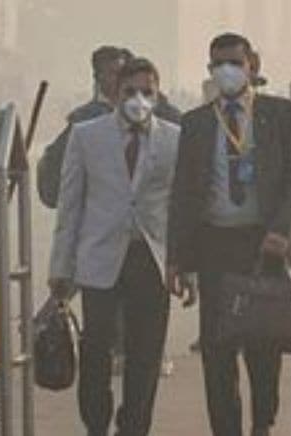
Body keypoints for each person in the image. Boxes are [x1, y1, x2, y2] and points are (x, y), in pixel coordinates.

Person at [168, 32, 291, 436]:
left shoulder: (279, 114)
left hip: (263, 245)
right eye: (217, 64)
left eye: (234, 62)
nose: (226, 71)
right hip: (215, 245)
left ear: (252, 65)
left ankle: (262, 423)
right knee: (217, 350)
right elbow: (183, 194)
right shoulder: (196, 123)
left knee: (264, 346)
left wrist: (281, 229)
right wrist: (177, 258)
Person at [49, 57, 182, 436]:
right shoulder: (86, 136)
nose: (138, 99)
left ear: (158, 95)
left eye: (147, 92)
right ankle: (96, 424)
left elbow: (181, 207)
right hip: (100, 259)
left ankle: (134, 426)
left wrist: (184, 265)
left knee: (146, 355)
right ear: (115, 94)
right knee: (96, 351)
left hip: (150, 259)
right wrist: (61, 267)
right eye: (130, 91)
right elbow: (70, 205)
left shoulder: (174, 138)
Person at [38, 45, 132, 210]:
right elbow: (55, 169)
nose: (119, 80)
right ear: (98, 77)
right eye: (113, 73)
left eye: (122, 74)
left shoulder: (139, 113)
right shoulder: (84, 120)